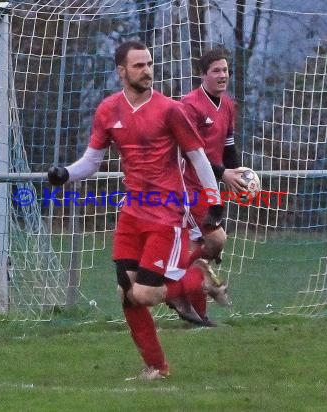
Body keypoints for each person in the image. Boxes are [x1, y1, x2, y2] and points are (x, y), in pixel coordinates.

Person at [47, 41, 228, 380]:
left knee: (144, 293)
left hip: (166, 214)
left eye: (149, 64)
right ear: (121, 71)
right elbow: (92, 161)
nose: (147, 71)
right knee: (126, 294)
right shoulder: (108, 110)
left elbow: (198, 158)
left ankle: (193, 281)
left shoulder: (170, 110)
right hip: (132, 213)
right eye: (139, 66)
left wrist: (215, 201)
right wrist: (66, 174)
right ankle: (156, 367)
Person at [177, 47, 249, 326]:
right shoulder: (189, 105)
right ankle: (196, 281)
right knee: (215, 240)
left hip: (210, 187)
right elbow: (191, 151)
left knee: (197, 245)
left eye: (225, 70)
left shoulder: (228, 105)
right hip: (188, 186)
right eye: (216, 70)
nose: (222, 76)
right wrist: (223, 173)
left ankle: (197, 314)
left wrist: (236, 173)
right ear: (203, 74)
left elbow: (228, 146)